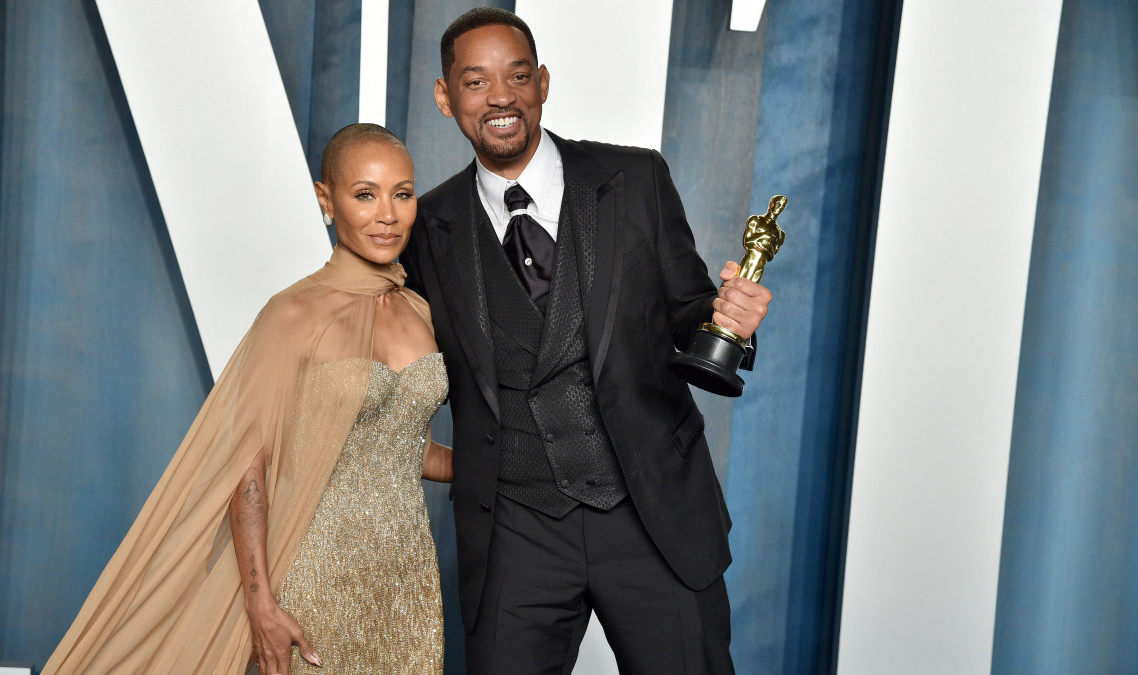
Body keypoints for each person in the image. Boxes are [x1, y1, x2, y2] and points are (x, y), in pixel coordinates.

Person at [398, 8, 773, 674]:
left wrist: (729, 321)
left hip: (650, 511)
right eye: (476, 82)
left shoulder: (634, 181)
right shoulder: (426, 228)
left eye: (517, 76)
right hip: (514, 530)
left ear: (542, 82)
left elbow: (688, 308)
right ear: (445, 96)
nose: (501, 98)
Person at [43, 124, 451, 674]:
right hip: (313, 576)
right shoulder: (292, 315)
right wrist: (261, 603)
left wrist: (520, 463)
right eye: (365, 194)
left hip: (407, 580)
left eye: (402, 194)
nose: (388, 214)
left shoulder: (418, 311)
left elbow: (410, 450)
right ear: (326, 201)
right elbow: (247, 464)